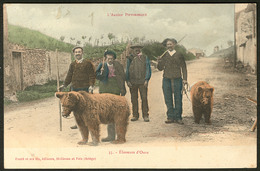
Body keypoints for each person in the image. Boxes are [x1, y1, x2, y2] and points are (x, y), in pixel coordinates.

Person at [59, 46, 96, 129]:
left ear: (82, 53)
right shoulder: (72, 64)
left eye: (79, 52)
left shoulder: (87, 63)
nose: (77, 53)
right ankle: (77, 123)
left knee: (86, 106)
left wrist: (91, 85)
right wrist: (64, 85)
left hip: (85, 88)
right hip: (75, 88)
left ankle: (87, 122)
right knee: (74, 106)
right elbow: (69, 76)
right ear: (74, 54)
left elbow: (92, 75)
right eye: (76, 52)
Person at [96, 50, 126, 142]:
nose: (110, 60)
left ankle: (119, 136)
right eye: (108, 58)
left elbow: (122, 77)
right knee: (107, 113)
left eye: (112, 59)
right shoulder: (102, 65)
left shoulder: (117, 66)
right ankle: (110, 136)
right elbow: (96, 76)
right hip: (105, 89)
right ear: (105, 58)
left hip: (115, 89)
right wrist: (100, 73)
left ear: (114, 59)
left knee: (115, 113)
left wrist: (122, 89)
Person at [157, 38, 187, 124]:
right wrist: (159, 62)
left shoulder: (179, 54)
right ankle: (170, 117)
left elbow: (184, 67)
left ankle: (178, 117)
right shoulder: (164, 55)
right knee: (168, 98)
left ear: (174, 44)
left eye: (171, 44)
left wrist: (184, 79)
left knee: (178, 98)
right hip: (166, 79)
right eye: (168, 44)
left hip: (177, 79)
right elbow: (160, 68)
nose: (169, 46)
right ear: (166, 46)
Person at [126, 44, 151, 122]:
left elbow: (148, 69)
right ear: (133, 50)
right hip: (133, 82)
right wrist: (127, 80)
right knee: (134, 99)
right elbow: (127, 70)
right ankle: (135, 115)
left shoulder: (144, 58)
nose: (137, 50)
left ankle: (145, 115)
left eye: (138, 48)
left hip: (142, 82)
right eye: (135, 49)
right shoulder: (130, 58)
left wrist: (146, 79)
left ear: (141, 49)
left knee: (144, 98)